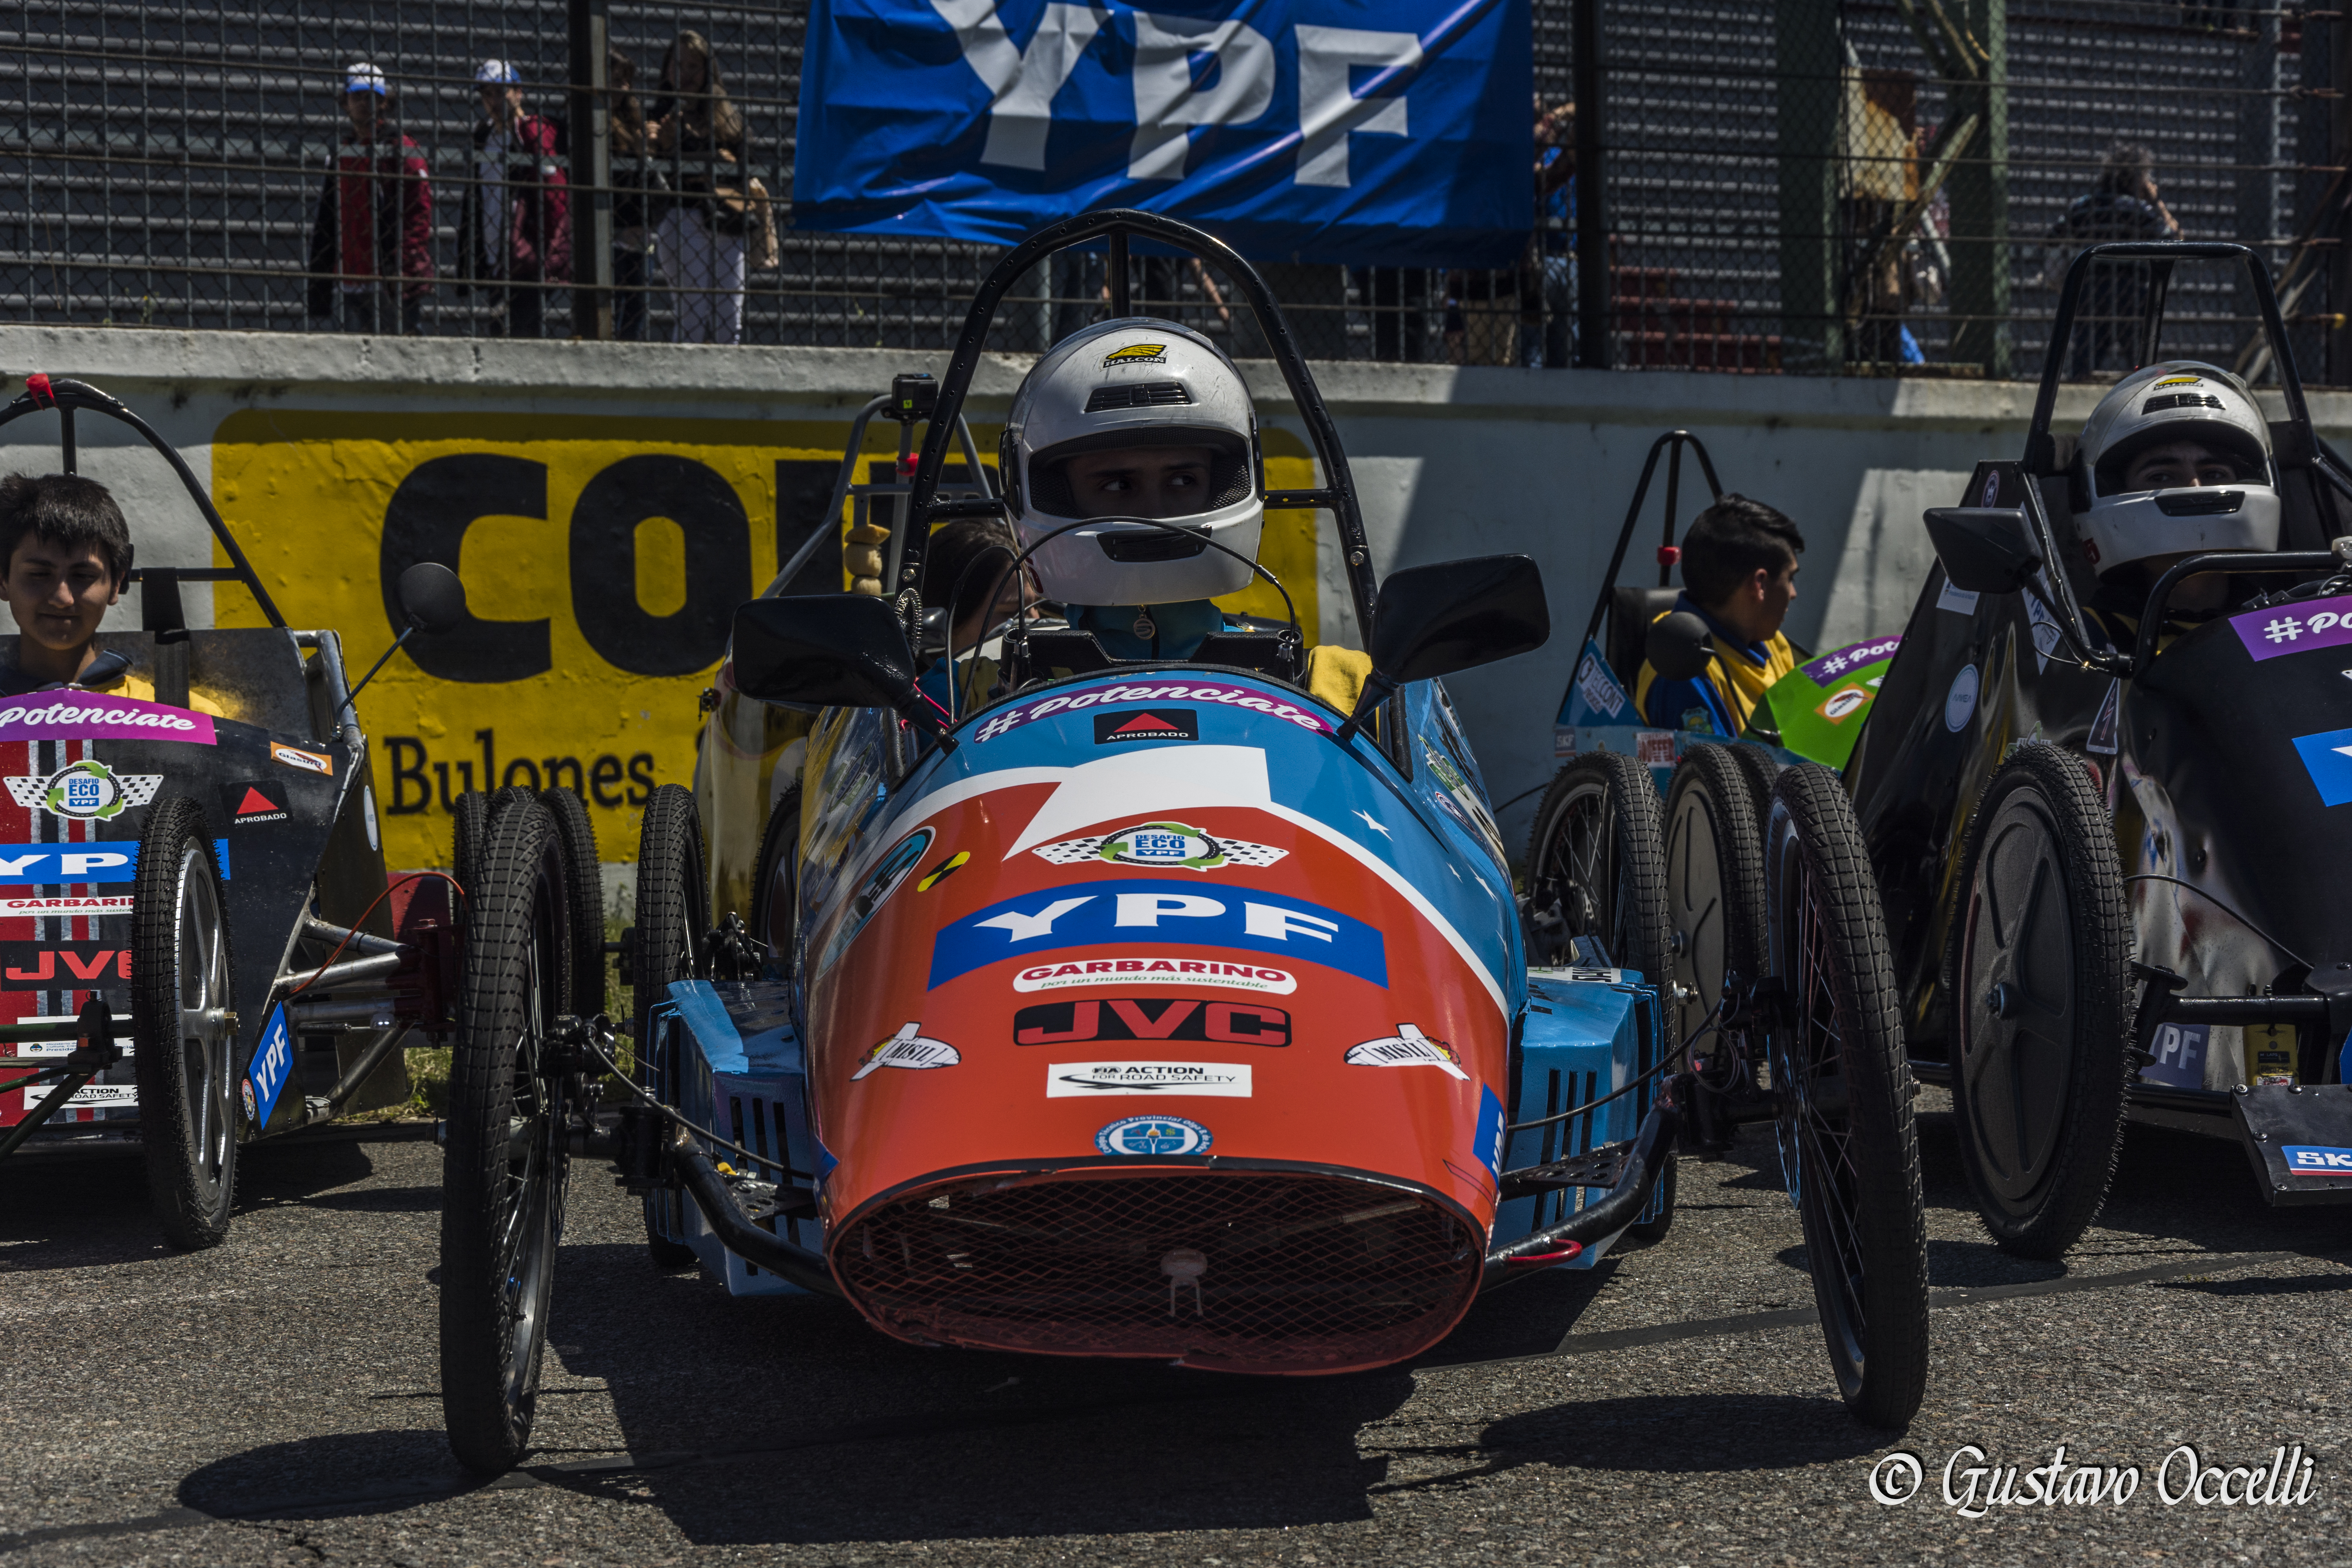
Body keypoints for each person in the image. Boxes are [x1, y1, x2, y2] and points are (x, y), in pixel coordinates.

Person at [1000, 318, 1372, 712]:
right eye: (1117, 486)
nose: (1154, 513)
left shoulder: (1347, 689)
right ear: (1056, 494)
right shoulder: (965, 697)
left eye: (1182, 480)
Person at [2073, 360, 2277, 621]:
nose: (2194, 487)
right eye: (2161, 477)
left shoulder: (2290, 623)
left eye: (2214, 474)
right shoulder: (2087, 639)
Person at [0, 473, 216, 709]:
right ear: (3, 581)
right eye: (39, 575)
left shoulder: (190, 715)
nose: (62, 598)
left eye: (83, 576)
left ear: (116, 584)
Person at [1634, 494, 1805, 734]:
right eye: (1790, 579)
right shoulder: (1684, 672)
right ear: (1760, 585)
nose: (1793, 593)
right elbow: (1715, 770)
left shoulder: (1774, 643)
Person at [307, 62, 432, 336]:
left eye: (372, 97)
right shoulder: (341, 154)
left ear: (384, 102)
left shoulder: (400, 149)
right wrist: (320, 285)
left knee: (401, 354)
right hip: (349, 279)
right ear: (346, 102)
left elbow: (419, 211)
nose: (364, 104)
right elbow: (327, 221)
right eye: (357, 96)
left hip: (390, 278)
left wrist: (405, 266)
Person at [457, 60, 570, 339]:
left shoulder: (532, 133)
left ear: (518, 92)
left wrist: (550, 258)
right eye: (486, 94)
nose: (493, 101)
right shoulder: (484, 136)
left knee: (515, 331)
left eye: (500, 92)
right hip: (499, 258)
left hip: (529, 257)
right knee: (508, 332)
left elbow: (555, 197)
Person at [2046, 142, 2180, 376]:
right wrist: (2156, 202)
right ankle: (2143, 387)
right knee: (2140, 353)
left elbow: (2052, 238)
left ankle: (2078, 387)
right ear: (2139, 178)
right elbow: (2175, 239)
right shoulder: (2140, 210)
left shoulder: (2084, 206)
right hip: (2132, 287)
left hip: (2092, 288)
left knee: (2087, 349)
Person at [650, 32, 749, 345]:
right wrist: (708, 160)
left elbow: (746, 163)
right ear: (667, 69)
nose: (686, 74)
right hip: (685, 216)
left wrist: (701, 160)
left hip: (727, 218)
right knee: (692, 314)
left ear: (708, 70)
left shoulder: (726, 115)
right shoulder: (660, 114)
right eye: (678, 65)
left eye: (694, 66)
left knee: (728, 318)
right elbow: (660, 166)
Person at [917, 515, 1038, 713]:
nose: (1035, 620)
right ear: (946, 620)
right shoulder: (915, 706)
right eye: (1011, 613)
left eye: (1037, 606)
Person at [607, 48, 657, 342]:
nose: (623, 87)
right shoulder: (593, 120)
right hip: (610, 225)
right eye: (615, 79)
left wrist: (650, 149)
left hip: (639, 226)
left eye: (626, 80)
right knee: (610, 298)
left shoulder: (635, 118)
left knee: (637, 305)